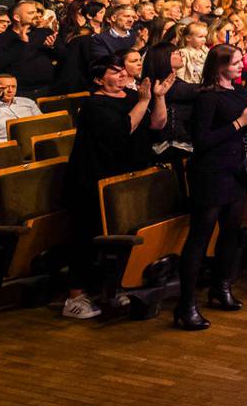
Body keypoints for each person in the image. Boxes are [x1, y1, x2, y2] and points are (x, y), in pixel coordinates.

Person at [59, 58, 168, 319]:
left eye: (122, 70)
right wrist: (143, 101)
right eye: (114, 71)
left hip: (127, 175)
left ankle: (113, 288)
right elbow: (123, 130)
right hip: (94, 178)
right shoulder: (94, 105)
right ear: (99, 80)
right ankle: (75, 298)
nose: (122, 74)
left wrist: (159, 97)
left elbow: (156, 124)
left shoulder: (131, 96)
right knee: (87, 235)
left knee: (122, 234)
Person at [177, 44, 247, 331]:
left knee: (231, 232)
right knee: (200, 237)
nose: (241, 65)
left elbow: (242, 127)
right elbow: (202, 140)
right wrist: (238, 122)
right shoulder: (207, 97)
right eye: (234, 62)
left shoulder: (237, 91)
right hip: (210, 173)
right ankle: (186, 304)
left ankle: (222, 287)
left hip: (233, 171)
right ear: (219, 66)